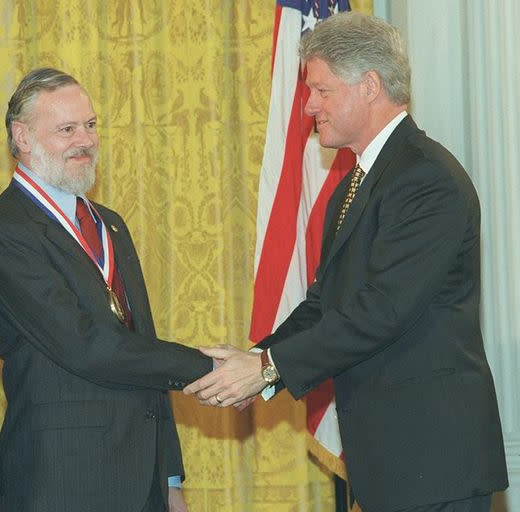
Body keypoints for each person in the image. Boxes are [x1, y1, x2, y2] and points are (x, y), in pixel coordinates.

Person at [184, 12, 508, 512]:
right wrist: (256, 357)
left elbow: (382, 311)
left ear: (370, 85)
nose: (309, 104)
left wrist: (268, 369)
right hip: (390, 463)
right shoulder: (354, 186)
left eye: (321, 90)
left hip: (433, 461)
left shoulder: (425, 179)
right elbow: (325, 304)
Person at [0, 68, 212, 512]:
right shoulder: (7, 230)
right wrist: (206, 367)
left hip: (142, 480)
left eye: (90, 125)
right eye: (66, 129)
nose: (84, 140)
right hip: (64, 481)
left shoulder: (111, 224)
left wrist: (170, 477)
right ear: (22, 136)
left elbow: (141, 345)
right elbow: (85, 345)